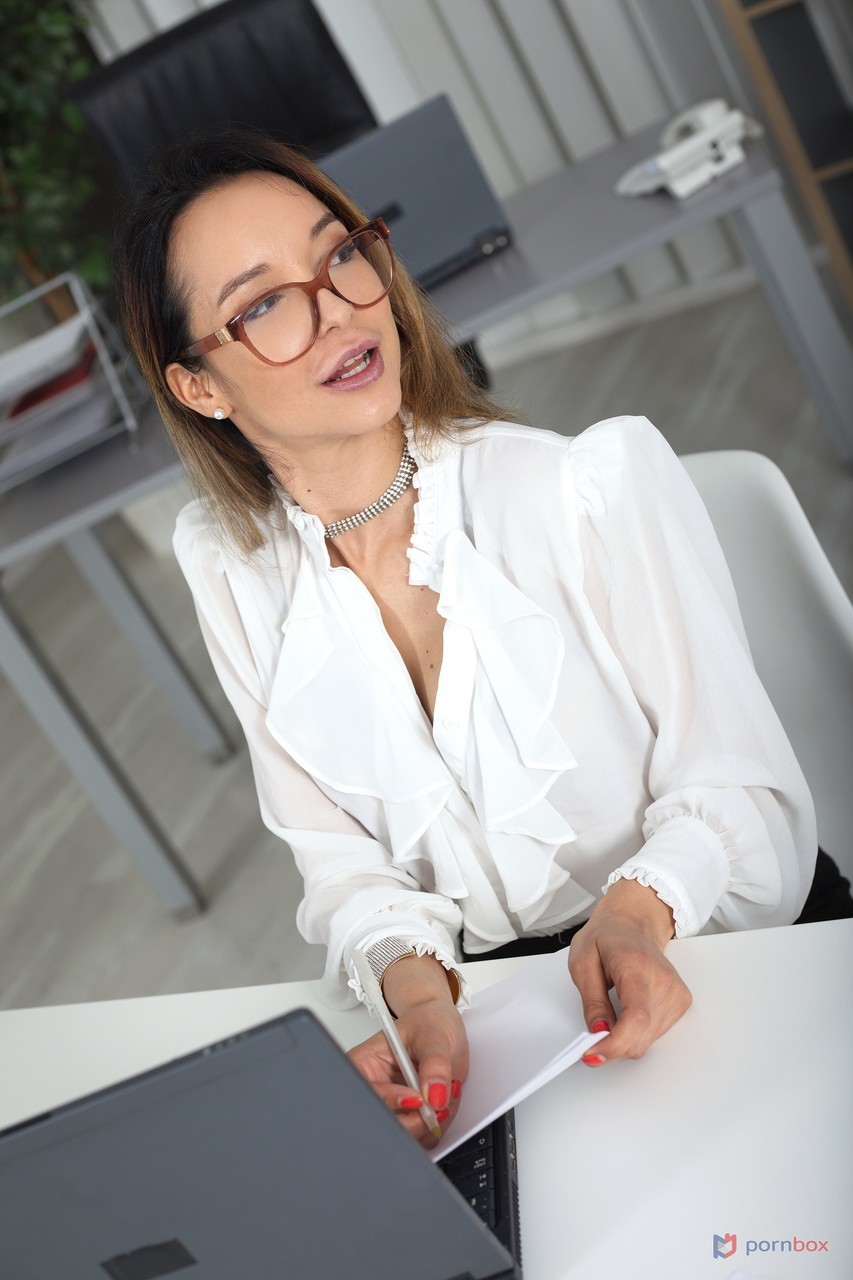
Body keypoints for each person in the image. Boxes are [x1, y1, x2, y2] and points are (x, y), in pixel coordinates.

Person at [115, 129, 819, 1147]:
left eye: (339, 254)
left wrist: (634, 913)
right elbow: (340, 863)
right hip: (498, 1019)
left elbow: (743, 788)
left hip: (709, 951)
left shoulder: (583, 488)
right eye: (263, 304)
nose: (336, 308)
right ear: (200, 387)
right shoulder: (231, 569)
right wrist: (419, 996)